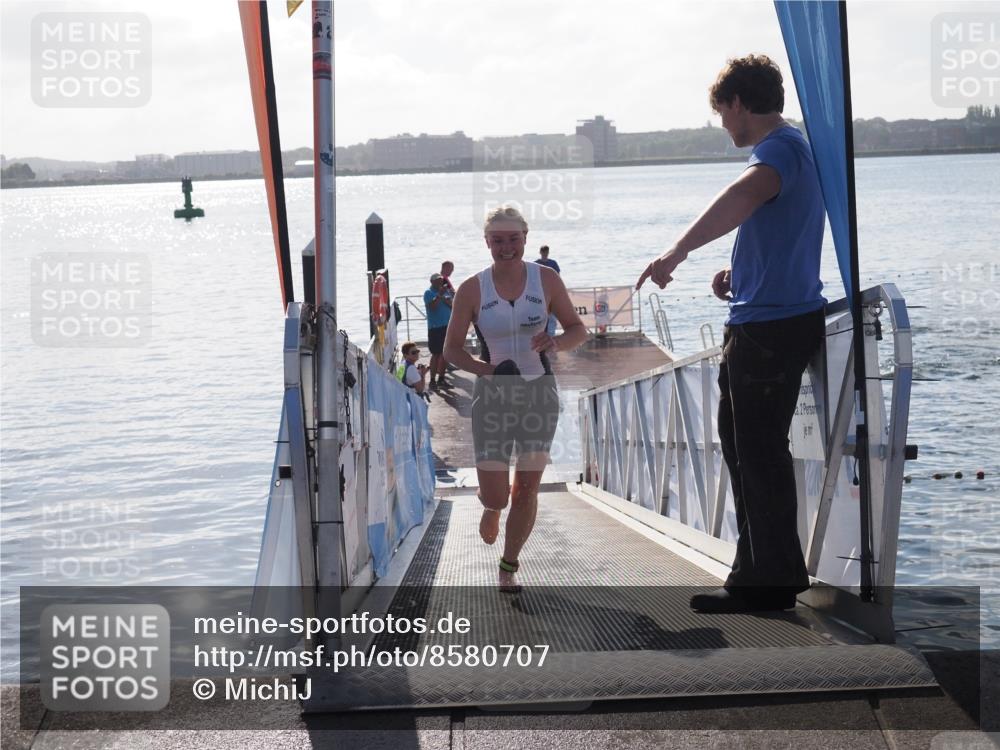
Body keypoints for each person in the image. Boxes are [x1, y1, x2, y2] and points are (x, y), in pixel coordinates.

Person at [636, 54, 826, 614]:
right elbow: (773, 224)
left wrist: (679, 249)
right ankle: (766, 570)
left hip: (769, 326)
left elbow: (743, 197)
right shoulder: (794, 151)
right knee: (748, 447)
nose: (723, 124)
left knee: (759, 449)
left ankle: (766, 582)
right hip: (768, 315)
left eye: (722, 112)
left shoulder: (779, 151)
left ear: (740, 103)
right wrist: (737, 275)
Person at [444, 206, 587, 592]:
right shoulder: (473, 288)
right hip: (492, 395)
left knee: (527, 487)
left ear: (525, 237)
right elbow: (452, 350)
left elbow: (578, 330)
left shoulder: (547, 279)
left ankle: (508, 566)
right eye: (497, 241)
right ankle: (491, 506)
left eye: (513, 239)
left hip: (539, 393)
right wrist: (488, 370)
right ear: (487, 242)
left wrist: (556, 341)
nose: (506, 248)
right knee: (498, 494)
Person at [424, 273, 453, 387]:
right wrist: (439, 295)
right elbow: (433, 307)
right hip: (435, 328)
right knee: (436, 354)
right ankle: (432, 380)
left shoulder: (446, 291)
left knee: (445, 354)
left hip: (447, 326)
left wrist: (445, 296)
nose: (440, 282)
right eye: (437, 280)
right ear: (432, 282)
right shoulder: (428, 293)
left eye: (441, 280)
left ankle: (441, 378)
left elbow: (452, 305)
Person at [534, 246, 561, 336]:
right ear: (540, 252)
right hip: (539, 294)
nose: (545, 254)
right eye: (543, 252)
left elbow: (558, 278)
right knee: (539, 318)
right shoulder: (535, 264)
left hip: (551, 294)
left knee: (552, 319)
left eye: (546, 252)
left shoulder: (553, 263)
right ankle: (540, 337)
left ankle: (551, 338)